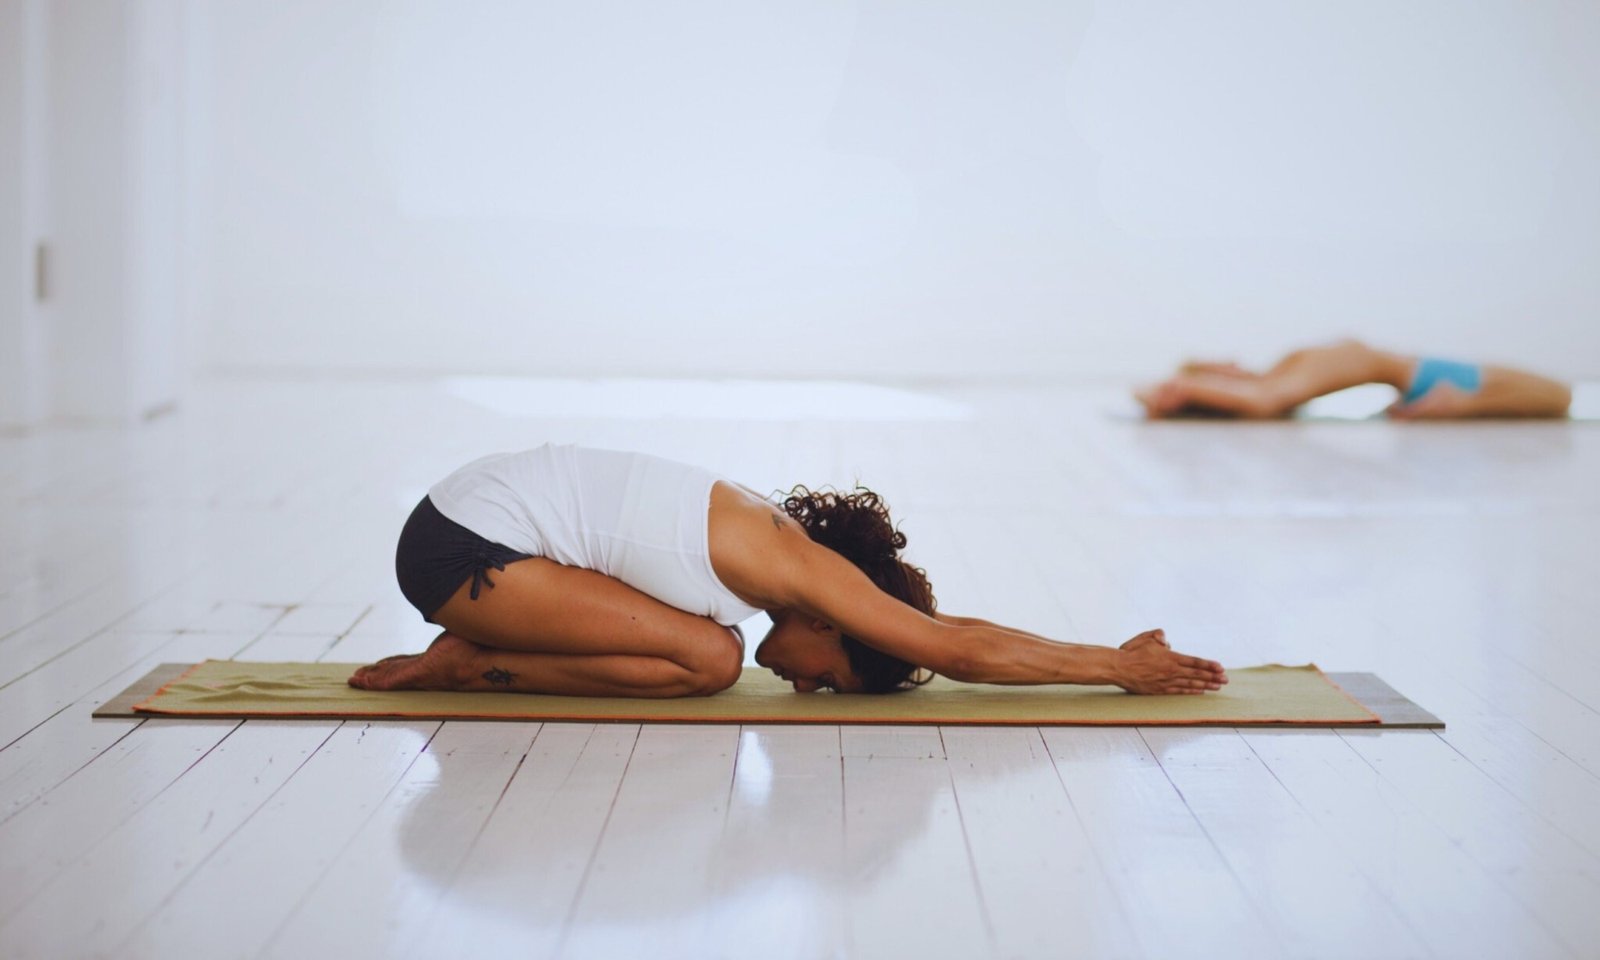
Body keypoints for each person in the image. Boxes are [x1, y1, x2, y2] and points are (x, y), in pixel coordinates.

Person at [348, 444, 1228, 698]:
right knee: (711, 661)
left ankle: (470, 653)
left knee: (710, 647)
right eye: (835, 680)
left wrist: (1105, 652)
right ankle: (463, 660)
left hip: (471, 526)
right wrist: (1114, 666)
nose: (809, 690)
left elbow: (950, 633)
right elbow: (952, 651)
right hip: (462, 548)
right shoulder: (794, 569)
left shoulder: (782, 565)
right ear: (836, 624)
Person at [1135, 339, 1572, 419]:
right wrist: (1183, 387)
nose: (1229, 360)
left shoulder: (1275, 375)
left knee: (1557, 395)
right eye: (1217, 365)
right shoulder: (1272, 387)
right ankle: (1455, 404)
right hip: (1418, 374)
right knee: (1559, 396)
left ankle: (1454, 404)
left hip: (1420, 370)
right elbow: (1261, 402)